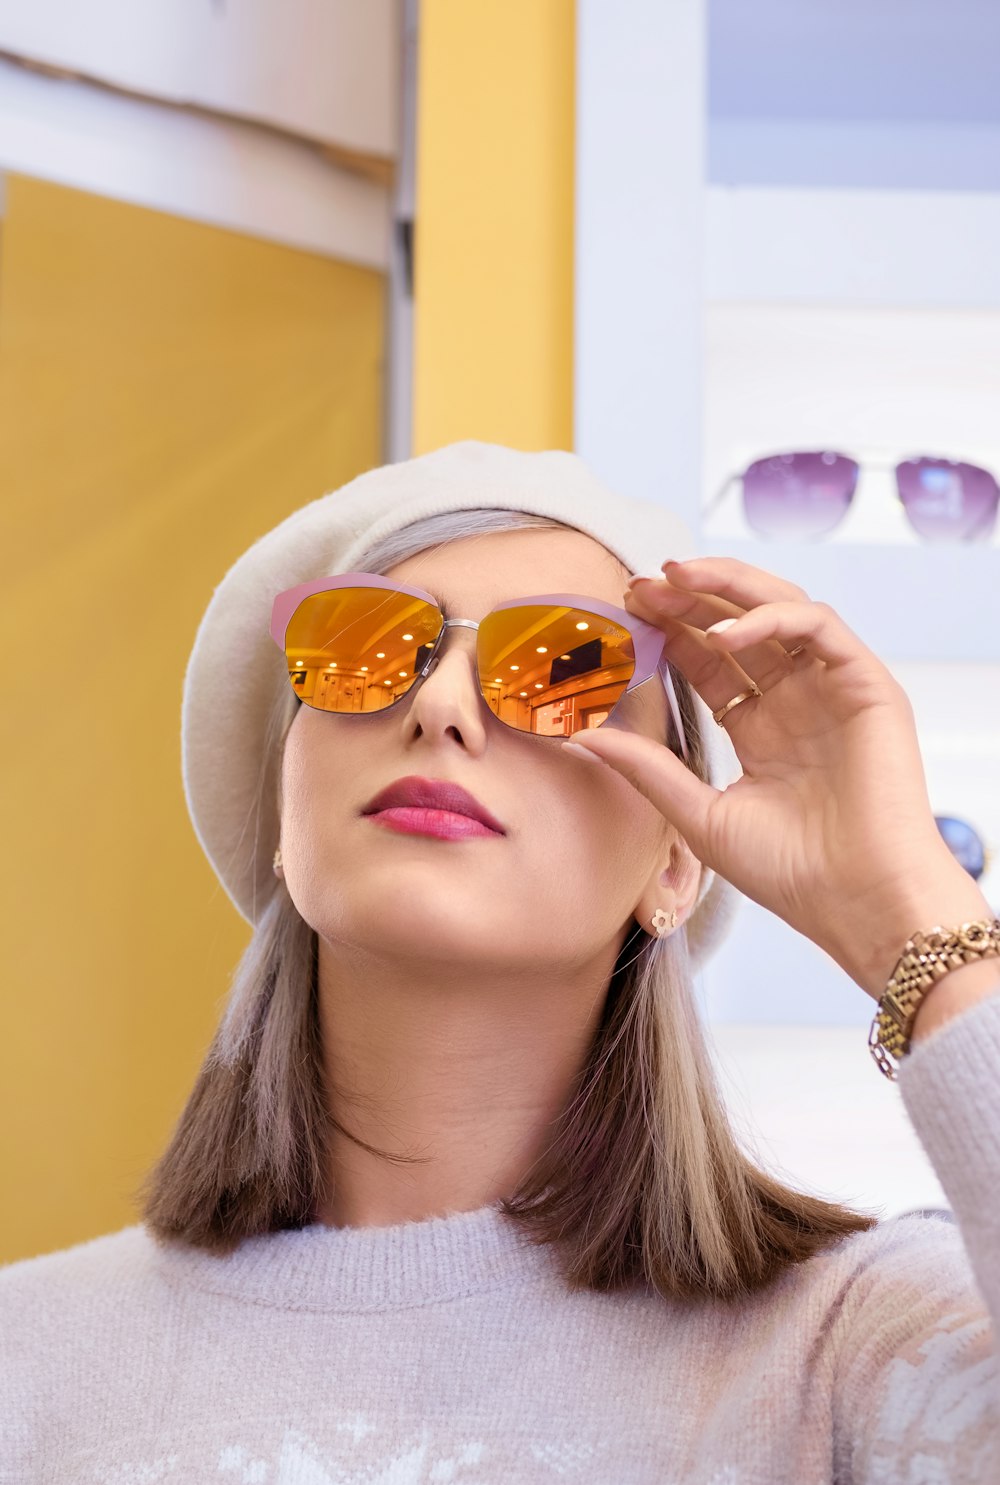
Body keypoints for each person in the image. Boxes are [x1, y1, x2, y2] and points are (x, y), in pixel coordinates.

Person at [2, 439, 998, 1482]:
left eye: (565, 666)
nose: (438, 707)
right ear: (283, 825)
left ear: (676, 860)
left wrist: (906, 913)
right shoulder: (26, 1367)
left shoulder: (854, 1353)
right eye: (364, 645)